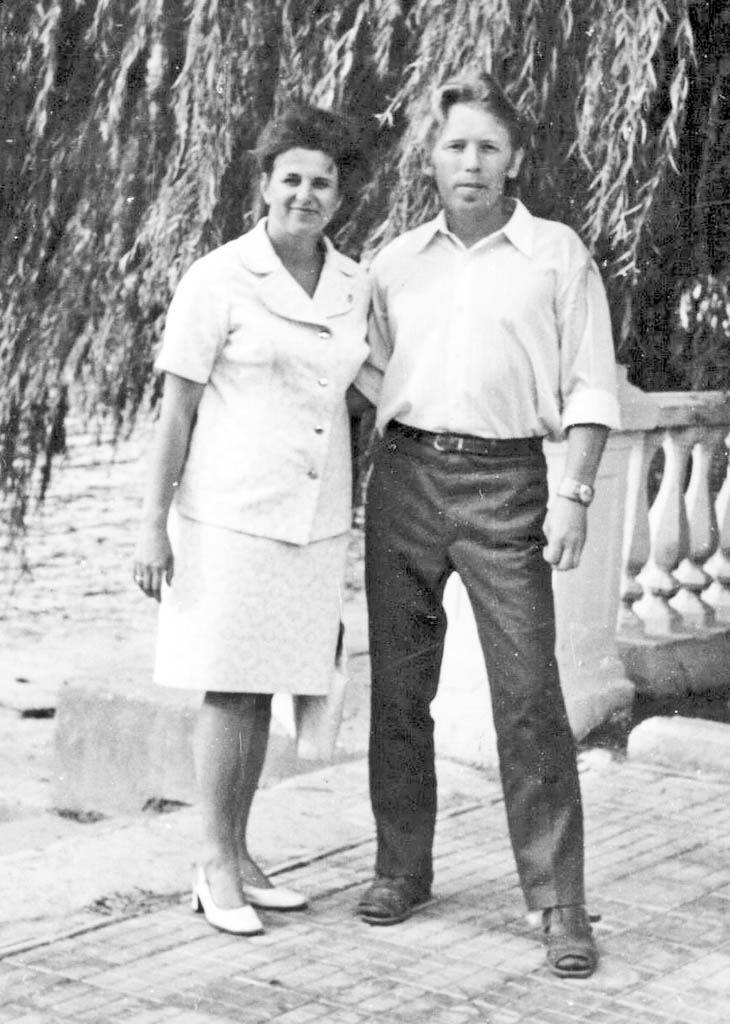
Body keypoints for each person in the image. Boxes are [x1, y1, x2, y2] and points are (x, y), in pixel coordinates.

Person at [353, 72, 620, 979]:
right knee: (399, 690)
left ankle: (559, 903)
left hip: (508, 485)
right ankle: (401, 868)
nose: (471, 162)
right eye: (456, 145)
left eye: (488, 147)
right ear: (431, 159)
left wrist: (574, 492)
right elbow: (366, 369)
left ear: (515, 161)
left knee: (529, 697)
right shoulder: (396, 262)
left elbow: (590, 383)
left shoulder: (555, 255)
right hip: (405, 480)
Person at [133, 104, 369, 936]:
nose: (306, 194)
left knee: (268, 684)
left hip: (314, 517)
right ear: (265, 184)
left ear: (340, 194)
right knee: (232, 686)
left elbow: (367, 391)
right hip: (229, 515)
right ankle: (212, 861)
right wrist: (151, 525)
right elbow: (176, 413)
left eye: (323, 181)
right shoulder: (219, 277)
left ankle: (238, 850)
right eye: (291, 178)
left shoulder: (354, 283)